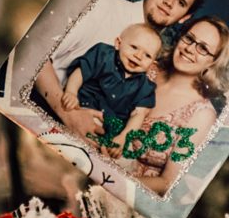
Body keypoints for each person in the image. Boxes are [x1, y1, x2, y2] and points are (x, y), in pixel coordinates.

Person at [33, 0, 205, 137]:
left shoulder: (153, 62)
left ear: (185, 17)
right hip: (41, 117)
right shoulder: (102, 6)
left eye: (181, 2)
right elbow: (37, 55)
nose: (169, 2)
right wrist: (69, 116)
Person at [124, 16, 229, 194]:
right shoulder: (146, 68)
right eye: (189, 38)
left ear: (213, 62)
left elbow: (168, 183)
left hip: (129, 193)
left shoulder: (202, 115)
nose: (190, 49)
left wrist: (110, 178)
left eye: (203, 48)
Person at [60, 23, 162, 159]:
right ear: (118, 43)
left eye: (147, 55)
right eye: (134, 47)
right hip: (81, 110)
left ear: (152, 65)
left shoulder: (146, 87)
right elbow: (81, 72)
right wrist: (71, 92)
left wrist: (123, 137)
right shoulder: (103, 54)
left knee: (114, 156)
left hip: (109, 131)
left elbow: (138, 114)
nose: (138, 56)